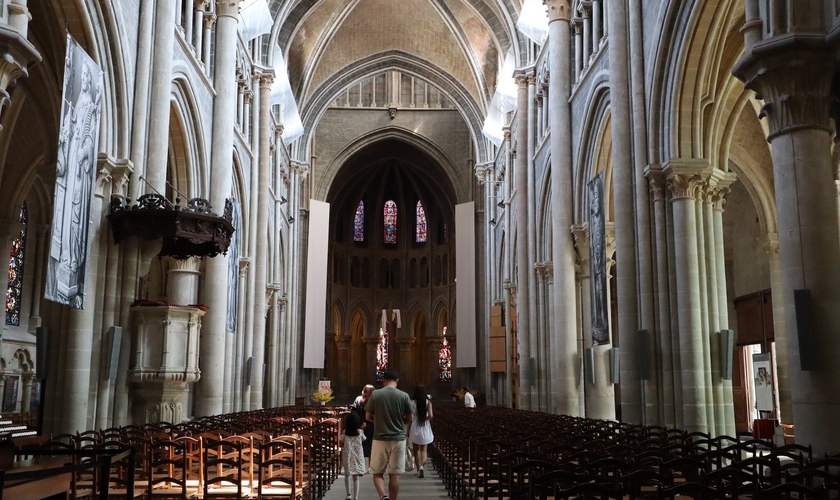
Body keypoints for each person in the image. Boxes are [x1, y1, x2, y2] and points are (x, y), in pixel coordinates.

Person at [365, 368, 413, 500]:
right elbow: (410, 419)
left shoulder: (376, 395)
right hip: (398, 438)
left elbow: (368, 416)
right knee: (394, 474)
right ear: (397, 380)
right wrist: (399, 421)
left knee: (377, 472)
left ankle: (382, 496)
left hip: (380, 438)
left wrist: (379, 420)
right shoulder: (404, 396)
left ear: (384, 380)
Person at [408, 386, 434, 478]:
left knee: (416, 450)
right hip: (425, 426)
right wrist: (425, 418)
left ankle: (418, 469)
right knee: (424, 450)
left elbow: (410, 418)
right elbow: (431, 415)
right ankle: (422, 467)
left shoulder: (412, 403)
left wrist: (407, 431)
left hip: (415, 426)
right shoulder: (428, 402)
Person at [340, 412, 366, 500]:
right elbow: (364, 439)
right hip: (357, 457)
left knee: (347, 475)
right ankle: (356, 497)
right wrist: (362, 428)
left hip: (348, 456)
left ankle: (348, 494)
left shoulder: (345, 432)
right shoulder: (360, 432)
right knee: (356, 477)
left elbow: (341, 439)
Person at [352, 384, 375, 471]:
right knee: (369, 444)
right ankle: (369, 466)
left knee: (359, 444)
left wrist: (360, 422)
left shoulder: (358, 399)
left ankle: (360, 465)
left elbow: (353, 411)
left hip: (358, 425)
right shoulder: (372, 400)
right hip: (370, 425)